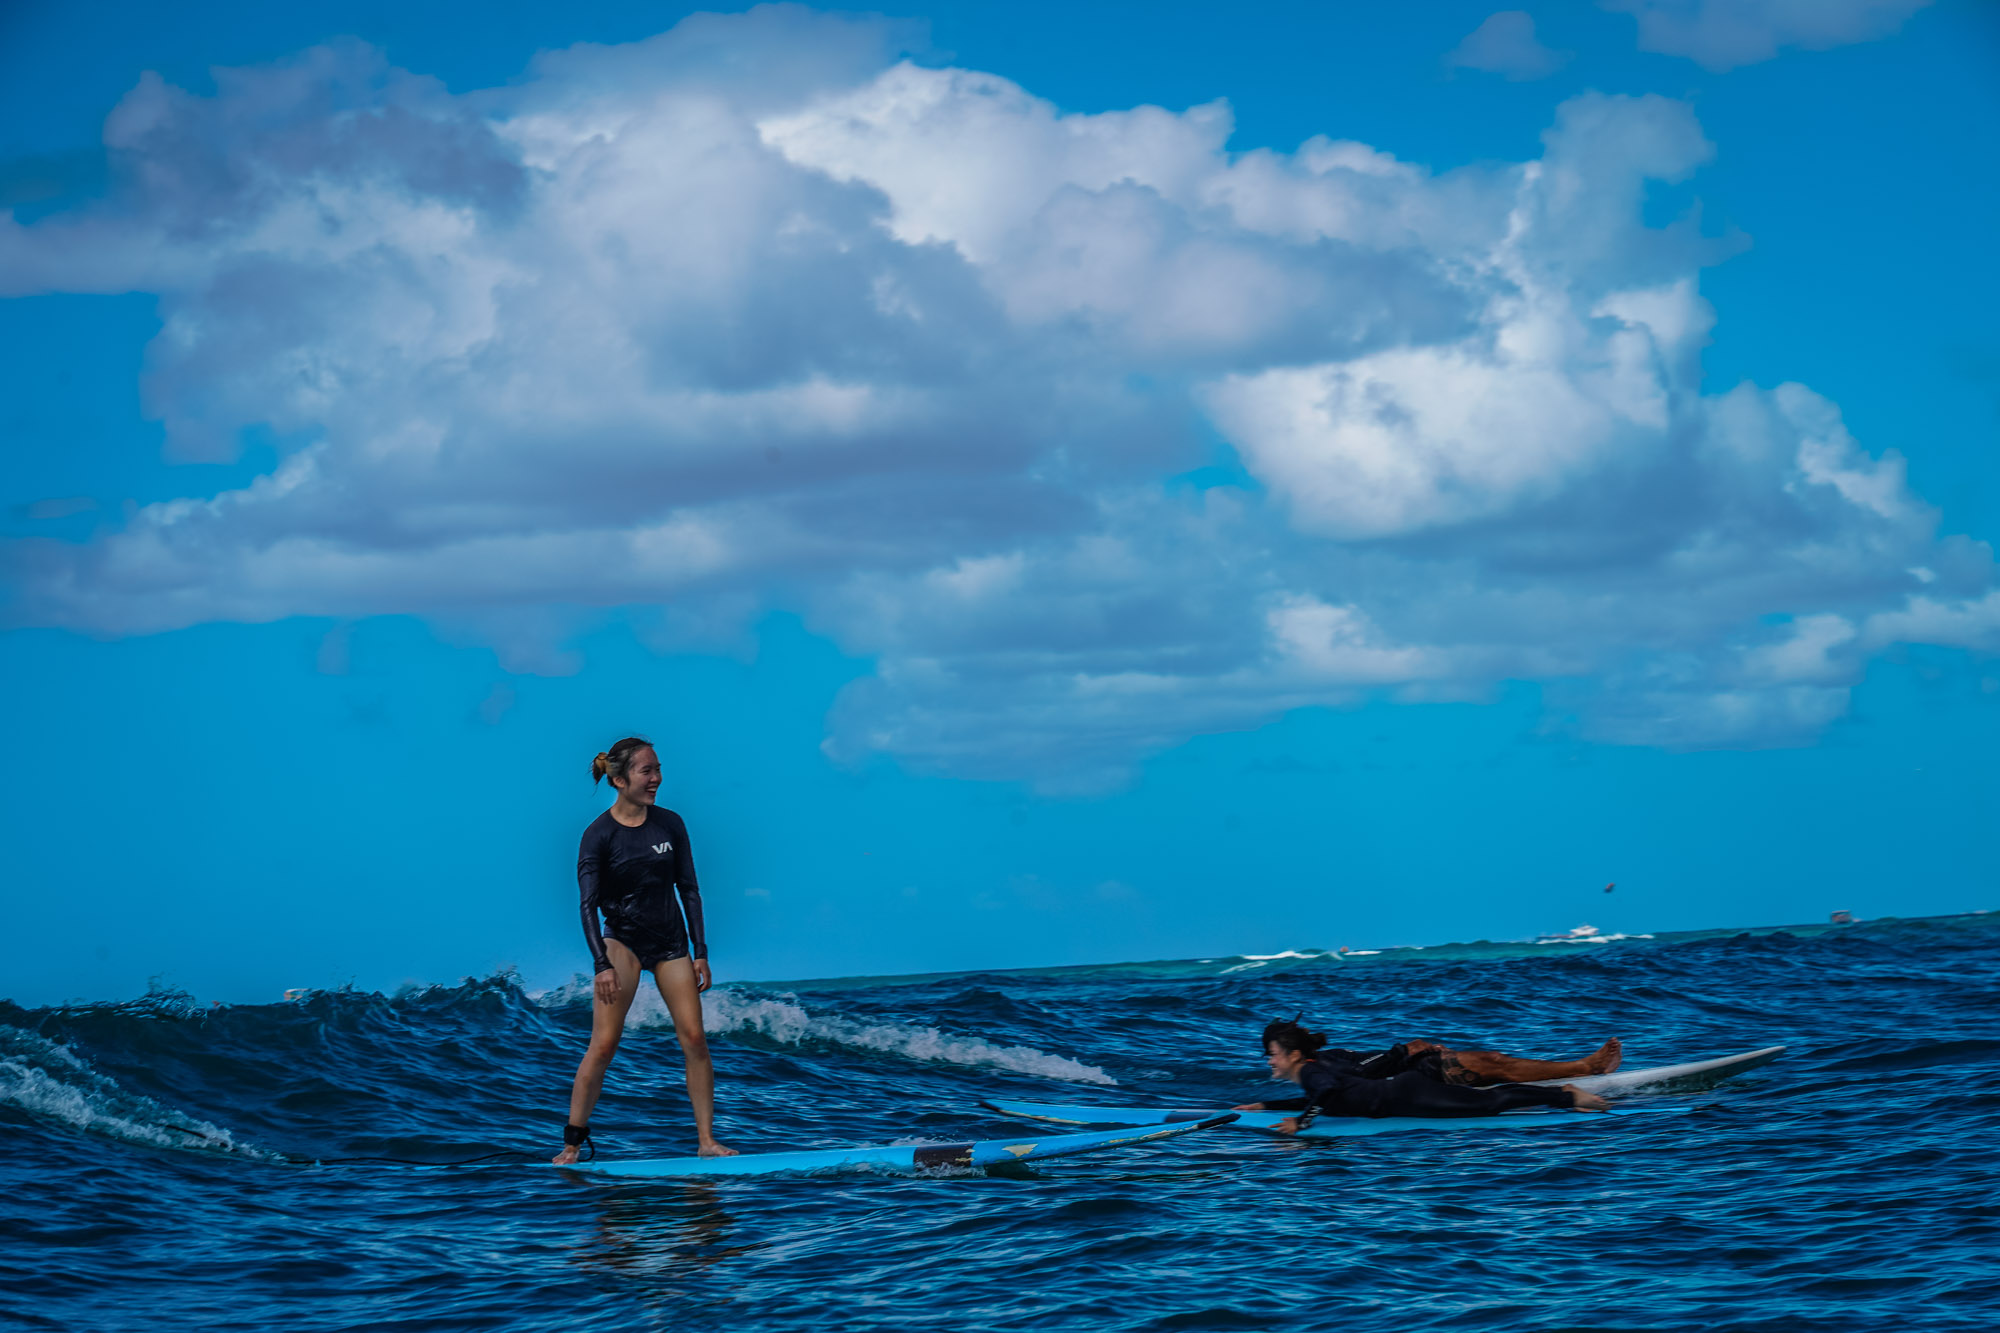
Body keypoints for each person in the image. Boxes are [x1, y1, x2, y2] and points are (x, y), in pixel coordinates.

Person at [553, 736, 736, 1164]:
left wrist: (700, 951)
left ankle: (707, 1142)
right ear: (618, 780)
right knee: (604, 1044)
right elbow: (586, 904)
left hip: (670, 944)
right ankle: (572, 1144)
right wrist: (601, 964)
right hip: (622, 944)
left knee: (694, 1038)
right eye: (646, 771)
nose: (656, 778)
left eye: (657, 769)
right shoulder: (598, 836)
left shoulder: (670, 824)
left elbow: (689, 888)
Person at [1247, 1019, 1610, 1132]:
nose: (1269, 1062)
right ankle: (1566, 1091)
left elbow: (1325, 1092)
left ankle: (1570, 1089)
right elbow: (1323, 1094)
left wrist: (1300, 1123)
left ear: (1294, 1054)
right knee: (1491, 1098)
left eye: (1272, 1055)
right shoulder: (1311, 1073)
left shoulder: (1318, 1069)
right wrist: (1265, 1104)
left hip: (1411, 1089)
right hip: (1407, 1091)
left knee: (1493, 1092)